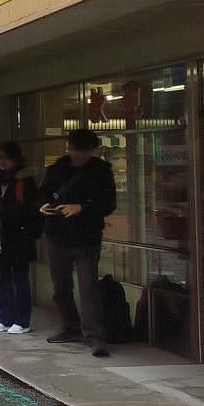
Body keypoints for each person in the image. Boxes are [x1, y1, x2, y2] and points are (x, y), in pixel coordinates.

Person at [39, 128, 118, 358]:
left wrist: (81, 208)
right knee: (60, 285)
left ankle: (95, 336)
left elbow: (109, 203)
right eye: (76, 150)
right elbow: (42, 194)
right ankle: (70, 326)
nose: (80, 155)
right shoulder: (55, 170)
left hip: (87, 237)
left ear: (92, 150)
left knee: (88, 287)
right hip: (57, 234)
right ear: (69, 148)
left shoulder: (102, 171)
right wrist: (43, 206)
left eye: (84, 151)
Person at [0, 141, 40, 334]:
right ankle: (3, 318)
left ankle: (22, 321)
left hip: (19, 238)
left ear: (16, 158)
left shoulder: (25, 180)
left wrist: (2, 214)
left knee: (20, 280)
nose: (2, 161)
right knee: (2, 280)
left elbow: (31, 209)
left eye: (6, 158)